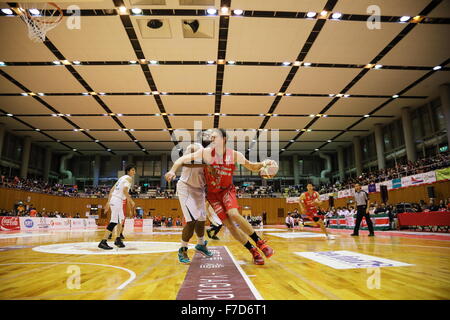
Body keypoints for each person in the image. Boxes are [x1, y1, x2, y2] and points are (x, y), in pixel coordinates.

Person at [166, 128, 275, 265]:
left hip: (225, 190)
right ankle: (252, 250)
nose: (211, 138)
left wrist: (265, 164)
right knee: (226, 225)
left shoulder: (233, 154)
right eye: (210, 136)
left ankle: (260, 243)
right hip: (206, 192)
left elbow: (252, 166)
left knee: (231, 215)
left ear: (224, 139)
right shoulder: (200, 150)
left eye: (214, 136)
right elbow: (183, 160)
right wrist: (172, 170)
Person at [98, 164, 136, 250]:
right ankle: (103, 241)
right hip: (117, 200)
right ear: (128, 171)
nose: (134, 172)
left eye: (134, 170)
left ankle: (118, 239)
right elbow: (125, 191)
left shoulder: (121, 178)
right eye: (133, 170)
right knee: (114, 221)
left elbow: (112, 190)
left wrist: (108, 202)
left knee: (120, 220)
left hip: (115, 200)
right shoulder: (129, 178)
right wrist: (131, 200)